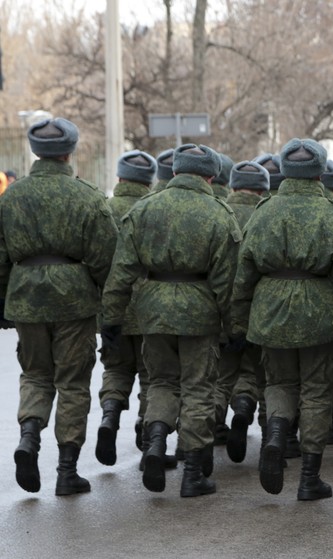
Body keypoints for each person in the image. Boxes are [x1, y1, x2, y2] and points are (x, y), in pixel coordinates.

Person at [102, 143, 241, 498]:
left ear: (174, 171)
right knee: (198, 387)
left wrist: (112, 319)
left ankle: (155, 443)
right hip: (199, 311)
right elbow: (226, 283)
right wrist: (233, 328)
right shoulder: (218, 214)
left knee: (162, 382)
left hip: (153, 309)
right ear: (211, 176)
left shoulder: (145, 209)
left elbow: (121, 273)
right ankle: (192, 473)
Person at [232, 139, 333, 499]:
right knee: (317, 392)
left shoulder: (263, 212)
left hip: (270, 310)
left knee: (278, 382)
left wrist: (239, 322)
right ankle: (309, 478)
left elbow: (245, 272)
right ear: (320, 172)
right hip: (319, 311)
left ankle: (275, 434)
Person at [1, 117, 117, 495]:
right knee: (72, 381)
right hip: (73, 299)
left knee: (35, 374)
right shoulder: (88, 196)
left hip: (25, 294)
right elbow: (105, 258)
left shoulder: (11, 198)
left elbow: (0, 257)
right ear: (70, 151)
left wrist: (4, 302)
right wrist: (102, 300)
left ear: (36, 151)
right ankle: (67, 471)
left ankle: (29, 438)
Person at [96, 150, 178, 470]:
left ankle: (109, 416)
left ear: (119, 178)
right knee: (152, 377)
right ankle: (148, 446)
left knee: (115, 370)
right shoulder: (156, 209)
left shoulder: (104, 207)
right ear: (150, 179)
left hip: (113, 304)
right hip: (150, 306)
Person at [217, 161, 271, 463]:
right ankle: (247, 412)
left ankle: (197, 441)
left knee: (219, 377)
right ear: (263, 190)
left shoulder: (218, 212)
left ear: (233, 186)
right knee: (258, 374)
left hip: (219, 310)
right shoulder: (267, 215)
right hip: (259, 310)